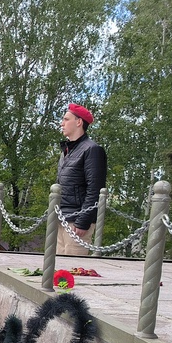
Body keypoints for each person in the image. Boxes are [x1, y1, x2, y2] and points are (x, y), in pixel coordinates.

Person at [57, 103, 107, 256]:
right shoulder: (66, 151)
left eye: (66, 119)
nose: (62, 123)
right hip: (61, 218)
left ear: (79, 122)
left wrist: (83, 220)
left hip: (77, 222)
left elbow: (95, 188)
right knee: (55, 271)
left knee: (73, 271)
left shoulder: (92, 150)